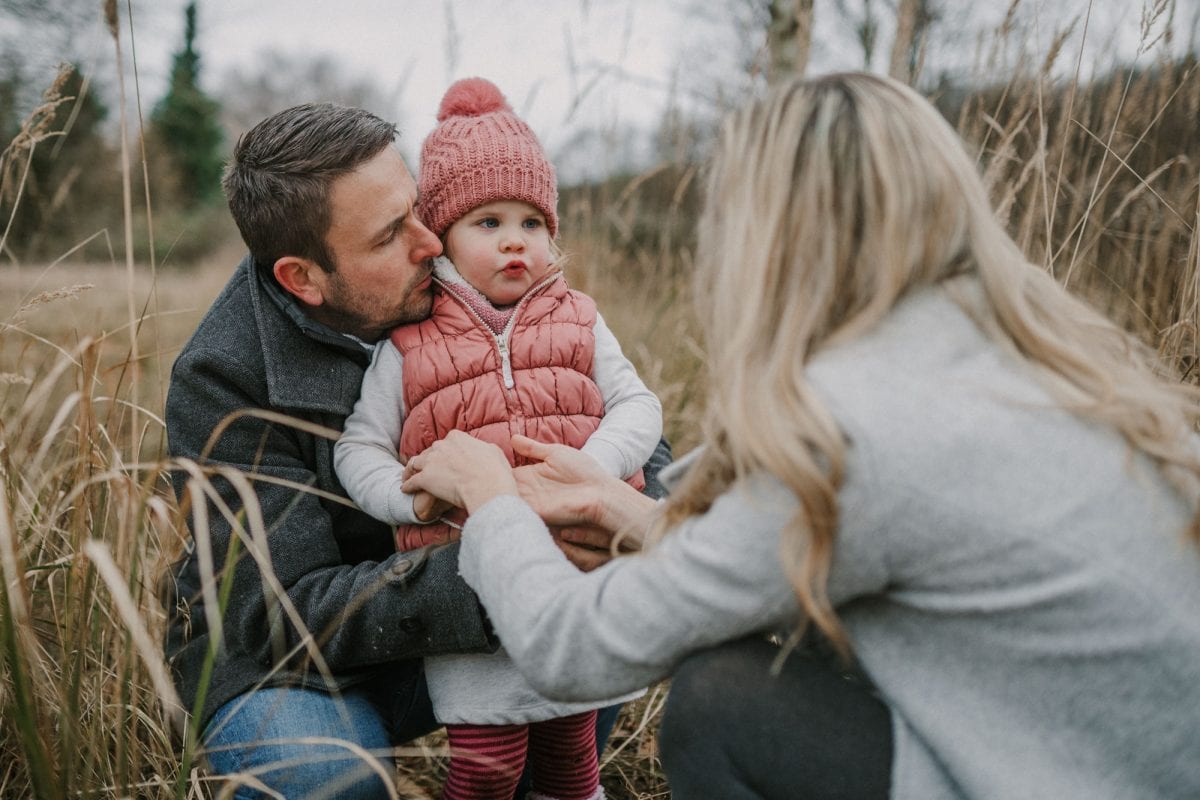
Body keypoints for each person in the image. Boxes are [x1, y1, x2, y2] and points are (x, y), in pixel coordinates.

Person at [400, 72, 1200, 800]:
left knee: (722, 702)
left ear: (768, 239)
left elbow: (570, 650)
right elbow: (823, 546)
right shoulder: (1027, 351)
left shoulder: (855, 429)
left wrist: (490, 494)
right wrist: (632, 516)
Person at [161, 101, 671, 798]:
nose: (429, 242)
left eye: (417, 209)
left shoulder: (457, 279)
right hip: (296, 662)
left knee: (584, 633)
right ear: (302, 278)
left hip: (460, 602)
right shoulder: (222, 380)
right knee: (327, 776)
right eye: (389, 236)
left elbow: (598, 413)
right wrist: (515, 555)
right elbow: (280, 613)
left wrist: (624, 519)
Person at [333, 77, 662, 800]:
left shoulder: (579, 318)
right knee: (486, 766)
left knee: (573, 763)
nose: (515, 239)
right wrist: (410, 502)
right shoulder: (410, 344)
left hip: (573, 578)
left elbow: (639, 407)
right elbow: (358, 447)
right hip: (466, 588)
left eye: (531, 222)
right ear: (440, 237)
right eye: (487, 222)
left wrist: (594, 469)